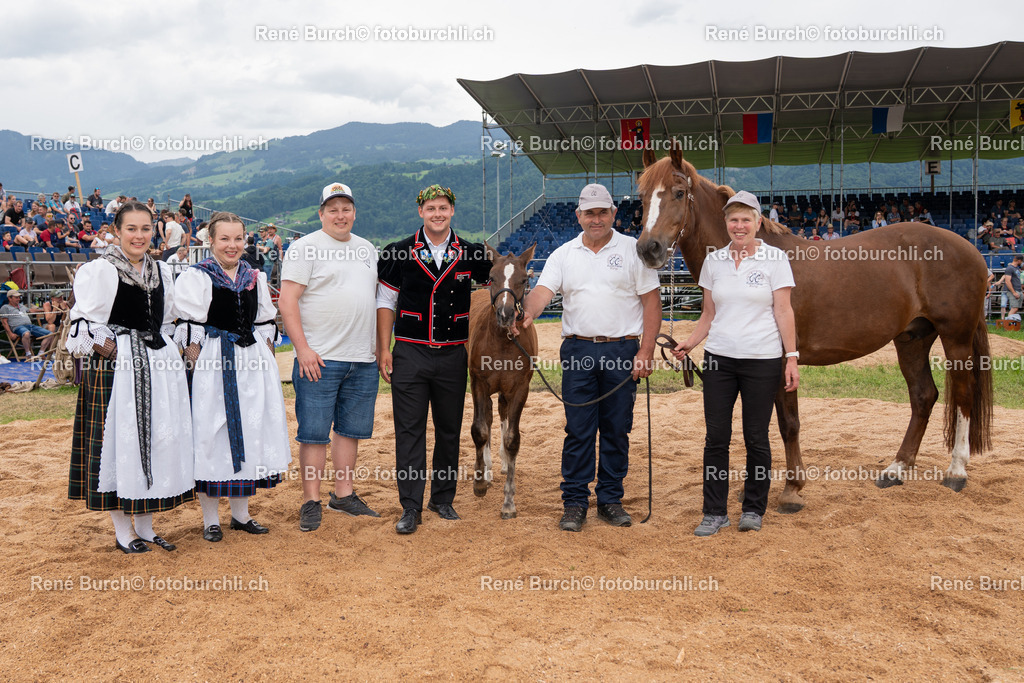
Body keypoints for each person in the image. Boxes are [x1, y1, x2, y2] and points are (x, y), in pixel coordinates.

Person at [517, 183, 660, 532]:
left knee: (616, 429)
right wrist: (526, 314)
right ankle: (575, 502)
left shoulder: (633, 250)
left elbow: (651, 303)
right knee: (578, 430)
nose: (596, 219)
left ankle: (610, 500)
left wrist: (646, 350)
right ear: (578, 215)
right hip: (578, 349)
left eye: (603, 212)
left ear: (613, 214)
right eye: (589, 213)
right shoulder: (563, 254)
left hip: (622, 349)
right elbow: (541, 293)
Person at [65, 201, 194, 554]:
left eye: (146, 228)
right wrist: (118, 353)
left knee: (152, 440)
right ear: (117, 232)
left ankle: (146, 527)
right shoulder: (101, 271)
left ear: (155, 231)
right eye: (131, 229)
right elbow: (84, 325)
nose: (139, 236)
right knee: (119, 443)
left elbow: (170, 320)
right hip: (115, 369)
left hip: (156, 364)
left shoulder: (162, 271)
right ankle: (123, 531)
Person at [670, 190, 799, 536]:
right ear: (725, 223)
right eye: (733, 220)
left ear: (758, 222)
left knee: (756, 438)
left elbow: (783, 310)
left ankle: (753, 508)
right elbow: (709, 314)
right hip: (719, 362)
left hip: (763, 360)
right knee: (716, 438)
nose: (739, 226)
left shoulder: (775, 259)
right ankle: (714, 511)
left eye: (746, 220)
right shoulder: (714, 262)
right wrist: (691, 342)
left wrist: (792, 357)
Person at [376, 183, 491, 535]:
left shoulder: (472, 254)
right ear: (420, 213)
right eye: (431, 209)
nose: (437, 214)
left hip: (454, 355)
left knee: (448, 430)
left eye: (443, 208)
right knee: (409, 432)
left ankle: (442, 499)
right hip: (410, 352)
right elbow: (385, 303)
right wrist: (384, 348)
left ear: (452, 211)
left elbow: (498, 289)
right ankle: (410, 506)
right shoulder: (398, 252)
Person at [174, 212, 290, 542]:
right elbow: (189, 326)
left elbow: (266, 323)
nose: (232, 245)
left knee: (250, 431)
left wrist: (263, 358)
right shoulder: (197, 276)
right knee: (212, 433)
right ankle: (211, 519)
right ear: (211, 241)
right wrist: (194, 372)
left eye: (238, 238)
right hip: (213, 361)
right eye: (224, 239)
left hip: (250, 363)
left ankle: (241, 514)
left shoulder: (253, 276)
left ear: (245, 241)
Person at [279, 182, 381, 533]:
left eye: (346, 208)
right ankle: (311, 500)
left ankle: (343, 494)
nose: (341, 215)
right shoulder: (304, 248)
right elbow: (287, 300)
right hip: (319, 358)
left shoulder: (368, 249)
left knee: (349, 431)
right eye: (333, 209)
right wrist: (303, 349)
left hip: (362, 357)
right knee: (313, 434)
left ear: (354, 212)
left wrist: (380, 350)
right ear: (321, 213)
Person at [1, 290, 54, 359]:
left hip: (30, 326)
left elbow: (31, 310)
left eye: (19, 297)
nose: (18, 299)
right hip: (18, 327)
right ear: (9, 298)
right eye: (16, 297)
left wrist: (45, 310)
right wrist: (10, 333)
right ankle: (28, 354)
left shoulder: (21, 306)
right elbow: (4, 322)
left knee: (50, 334)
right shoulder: (5, 308)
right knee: (26, 333)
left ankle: (41, 353)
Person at [1003, 255, 1023, 320]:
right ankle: (1008, 324)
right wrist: (1014, 292)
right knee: (1014, 308)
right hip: (1013, 291)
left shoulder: (1016, 268)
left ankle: (1012, 324)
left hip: (1018, 290)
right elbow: (1007, 281)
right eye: (1022, 261)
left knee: (1016, 308)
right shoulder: (1010, 268)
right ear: (1019, 261)